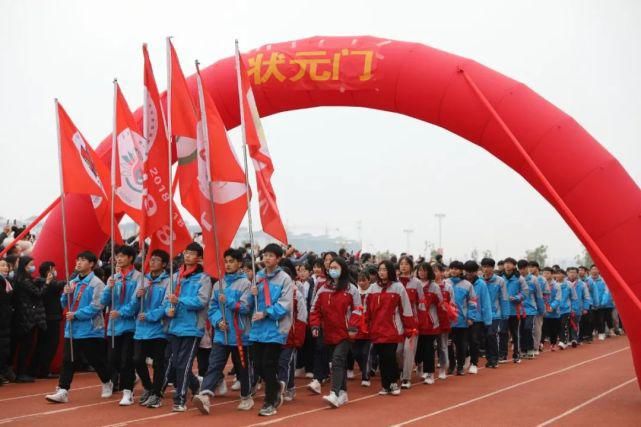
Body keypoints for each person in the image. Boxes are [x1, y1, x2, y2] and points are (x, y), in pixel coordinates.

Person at [45, 251, 113, 403]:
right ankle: (63, 390)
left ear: (91, 264)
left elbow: (97, 306)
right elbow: (64, 304)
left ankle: (107, 381)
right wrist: (65, 294)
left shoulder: (97, 283)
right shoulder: (73, 282)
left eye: (83, 260)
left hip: (90, 330)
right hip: (73, 329)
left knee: (96, 360)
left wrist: (77, 314)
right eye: (77, 259)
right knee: (68, 360)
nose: (78, 262)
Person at [193, 248, 255, 414]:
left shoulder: (246, 284)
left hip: (241, 335)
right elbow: (212, 308)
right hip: (221, 335)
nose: (228, 265)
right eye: (226, 261)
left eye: (231, 261)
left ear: (239, 263)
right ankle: (205, 396)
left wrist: (227, 300)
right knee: (214, 365)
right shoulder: (218, 284)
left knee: (243, 367)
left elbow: (245, 308)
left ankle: (246, 396)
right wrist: (218, 321)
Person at [163, 242, 213, 412]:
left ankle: (180, 399)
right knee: (176, 363)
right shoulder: (175, 276)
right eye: (186, 252)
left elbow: (202, 301)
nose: (188, 256)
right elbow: (166, 298)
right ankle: (195, 384)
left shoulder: (203, 278)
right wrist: (166, 310)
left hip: (192, 327)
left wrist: (180, 300)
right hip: (175, 325)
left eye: (192, 253)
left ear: (199, 257)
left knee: (184, 364)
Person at [309, 257, 361, 408]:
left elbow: (358, 310)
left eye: (335, 267)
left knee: (337, 360)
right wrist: (315, 325)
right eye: (330, 267)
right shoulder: (323, 289)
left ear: (343, 269)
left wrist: (353, 328)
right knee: (337, 362)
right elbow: (314, 309)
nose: (332, 269)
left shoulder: (351, 289)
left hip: (345, 333)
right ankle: (343, 392)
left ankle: (334, 393)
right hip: (328, 333)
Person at [248, 243, 294, 417]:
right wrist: (251, 294)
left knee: (269, 364)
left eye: (271, 255)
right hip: (257, 330)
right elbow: (250, 305)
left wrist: (267, 313)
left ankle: (270, 402)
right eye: (265, 255)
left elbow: (285, 304)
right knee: (258, 366)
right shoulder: (258, 277)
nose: (267, 258)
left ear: (278, 258)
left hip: (275, 329)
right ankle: (276, 387)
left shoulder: (284, 279)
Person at [364, 260, 415, 396]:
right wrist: (365, 324)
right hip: (377, 329)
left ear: (390, 271)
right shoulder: (372, 288)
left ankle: (393, 382)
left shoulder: (398, 287)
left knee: (389, 356)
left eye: (385, 269)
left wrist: (409, 328)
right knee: (382, 358)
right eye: (380, 269)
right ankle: (385, 385)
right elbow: (366, 309)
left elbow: (406, 308)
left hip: (393, 328)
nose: (381, 272)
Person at [101, 245, 143, 405]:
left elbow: (136, 301)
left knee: (126, 359)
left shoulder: (139, 278)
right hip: (114, 325)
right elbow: (104, 301)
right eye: (117, 256)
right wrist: (108, 288)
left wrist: (122, 312)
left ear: (130, 258)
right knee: (113, 360)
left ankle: (127, 392)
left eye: (122, 256)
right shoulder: (114, 278)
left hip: (131, 325)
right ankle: (132, 377)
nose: (118, 258)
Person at [133, 249, 171, 409]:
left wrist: (149, 315)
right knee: (137, 360)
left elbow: (166, 305)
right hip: (141, 329)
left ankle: (156, 394)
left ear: (164, 264)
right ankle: (148, 387)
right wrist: (137, 296)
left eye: (156, 260)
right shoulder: (143, 280)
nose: (152, 262)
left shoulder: (168, 281)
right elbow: (134, 305)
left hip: (158, 329)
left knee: (158, 363)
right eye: (151, 259)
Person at [11, 256, 46, 382]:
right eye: (31, 264)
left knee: (25, 345)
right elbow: (38, 293)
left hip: (24, 316)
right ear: (24, 265)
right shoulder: (23, 279)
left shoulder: (20, 278)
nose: (33, 267)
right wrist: (46, 283)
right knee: (25, 346)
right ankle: (20, 373)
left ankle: (20, 372)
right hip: (26, 318)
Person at [396, 256, 426, 388]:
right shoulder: (394, 282)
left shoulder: (417, 283)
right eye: (401, 264)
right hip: (397, 321)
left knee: (409, 349)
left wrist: (420, 320)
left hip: (412, 321)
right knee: (397, 350)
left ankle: (406, 378)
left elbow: (421, 303)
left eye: (406, 264)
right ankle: (402, 370)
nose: (403, 266)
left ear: (411, 266)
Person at [31, 261, 65, 379]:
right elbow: (62, 284)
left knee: (42, 344)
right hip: (50, 318)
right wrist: (76, 273)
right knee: (49, 345)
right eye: (53, 269)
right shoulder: (45, 283)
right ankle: (43, 370)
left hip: (48, 317)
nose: (55, 272)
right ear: (48, 272)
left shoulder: (40, 282)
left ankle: (37, 369)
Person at [447, 261, 477, 376]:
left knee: (461, 346)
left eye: (456, 268)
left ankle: (460, 366)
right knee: (448, 345)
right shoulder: (445, 283)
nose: (454, 270)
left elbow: (472, 302)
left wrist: (470, 317)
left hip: (462, 321)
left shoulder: (467, 285)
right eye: (452, 268)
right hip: (448, 322)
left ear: (461, 271)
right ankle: (451, 365)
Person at [416, 262, 443, 384]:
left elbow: (440, 304)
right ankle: (419, 364)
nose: (422, 273)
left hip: (431, 322)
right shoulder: (414, 284)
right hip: (416, 322)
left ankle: (430, 374)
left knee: (428, 348)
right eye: (420, 270)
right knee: (418, 348)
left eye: (424, 270)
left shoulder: (434, 287)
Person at [480, 258, 508, 368]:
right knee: (484, 338)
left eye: (488, 266)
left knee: (491, 335)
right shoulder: (479, 281)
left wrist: (505, 314)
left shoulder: (500, 281)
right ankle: (489, 358)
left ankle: (494, 359)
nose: (486, 269)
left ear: (493, 268)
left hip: (495, 314)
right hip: (481, 314)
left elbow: (504, 298)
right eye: (484, 266)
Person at [500, 258, 528, 364]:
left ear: (514, 265)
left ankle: (517, 354)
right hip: (502, 311)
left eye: (509, 264)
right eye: (505, 263)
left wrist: (517, 297)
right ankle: (503, 354)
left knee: (515, 333)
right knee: (502, 333)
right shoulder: (500, 277)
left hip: (514, 310)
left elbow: (525, 292)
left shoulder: (519, 278)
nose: (507, 265)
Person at [466, 260, 491, 374]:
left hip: (477, 318)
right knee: (462, 341)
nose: (469, 274)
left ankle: (474, 363)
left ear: (476, 272)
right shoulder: (462, 282)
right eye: (467, 271)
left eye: (472, 272)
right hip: (463, 317)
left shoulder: (481, 284)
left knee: (474, 341)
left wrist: (487, 320)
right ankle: (464, 359)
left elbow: (486, 302)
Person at [517, 259, 544, 359]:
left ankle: (530, 349)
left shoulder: (533, 279)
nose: (522, 271)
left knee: (528, 328)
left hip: (531, 309)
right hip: (519, 309)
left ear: (527, 268)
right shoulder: (517, 279)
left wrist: (541, 310)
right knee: (521, 329)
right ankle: (523, 349)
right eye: (520, 269)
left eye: (524, 268)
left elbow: (539, 295)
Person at [352, 271, 373, 387]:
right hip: (356, 328)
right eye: (359, 280)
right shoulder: (355, 292)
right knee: (356, 353)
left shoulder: (372, 293)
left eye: (364, 280)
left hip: (369, 328)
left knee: (366, 353)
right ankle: (365, 368)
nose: (361, 283)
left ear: (369, 280)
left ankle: (366, 376)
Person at [567, 267, 592, 347]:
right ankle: (568, 339)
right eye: (570, 272)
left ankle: (574, 339)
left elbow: (586, 297)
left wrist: (585, 308)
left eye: (574, 272)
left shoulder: (582, 284)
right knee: (566, 324)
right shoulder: (564, 284)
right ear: (567, 273)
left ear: (577, 274)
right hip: (565, 308)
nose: (572, 274)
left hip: (577, 308)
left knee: (575, 324)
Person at [588, 265, 613, 340]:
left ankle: (601, 333)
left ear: (599, 271)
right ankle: (591, 333)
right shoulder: (588, 281)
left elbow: (606, 292)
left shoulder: (603, 280)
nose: (594, 270)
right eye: (593, 269)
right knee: (592, 319)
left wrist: (602, 302)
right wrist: (591, 303)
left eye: (596, 269)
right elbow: (587, 293)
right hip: (591, 304)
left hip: (601, 304)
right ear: (590, 271)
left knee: (600, 319)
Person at [528, 261, 547, 354]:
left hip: (538, 307)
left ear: (537, 268)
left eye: (532, 267)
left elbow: (546, 294)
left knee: (537, 328)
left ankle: (535, 347)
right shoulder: (527, 279)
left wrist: (543, 307)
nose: (530, 269)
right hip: (528, 307)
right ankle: (528, 346)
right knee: (528, 328)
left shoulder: (542, 280)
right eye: (529, 267)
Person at [556, 269, 577, 349]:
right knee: (558, 326)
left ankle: (563, 341)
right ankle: (563, 339)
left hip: (566, 309)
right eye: (556, 274)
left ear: (564, 275)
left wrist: (573, 309)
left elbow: (574, 297)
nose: (557, 276)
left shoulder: (569, 285)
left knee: (564, 325)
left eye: (559, 274)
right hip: (556, 310)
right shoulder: (554, 285)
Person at [542, 267, 562, 351]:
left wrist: (551, 307)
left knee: (553, 330)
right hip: (543, 311)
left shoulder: (556, 285)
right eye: (544, 273)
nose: (545, 275)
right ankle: (540, 344)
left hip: (554, 312)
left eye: (547, 273)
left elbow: (558, 298)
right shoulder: (541, 284)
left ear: (552, 274)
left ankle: (553, 344)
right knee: (542, 328)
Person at [0, 263, 13, 385]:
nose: (6, 268)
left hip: (5, 320)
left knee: (4, 349)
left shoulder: (7, 282)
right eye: (2, 265)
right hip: (2, 320)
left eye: (6, 266)